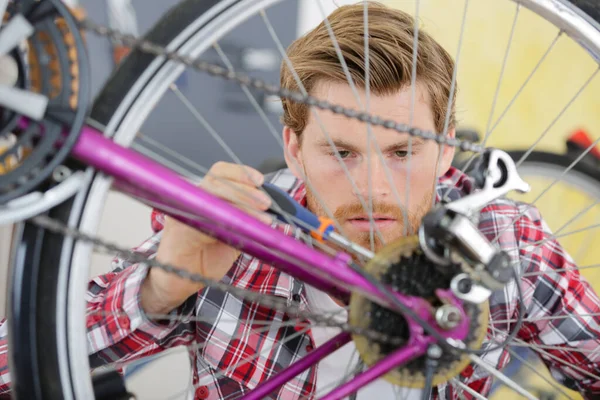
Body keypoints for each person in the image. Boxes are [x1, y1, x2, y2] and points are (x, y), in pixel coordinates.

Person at [1, 2, 600, 399]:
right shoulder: (231, 232)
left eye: (402, 152)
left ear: (447, 152)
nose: (372, 188)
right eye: (341, 152)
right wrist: (160, 288)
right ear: (292, 149)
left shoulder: (502, 235)